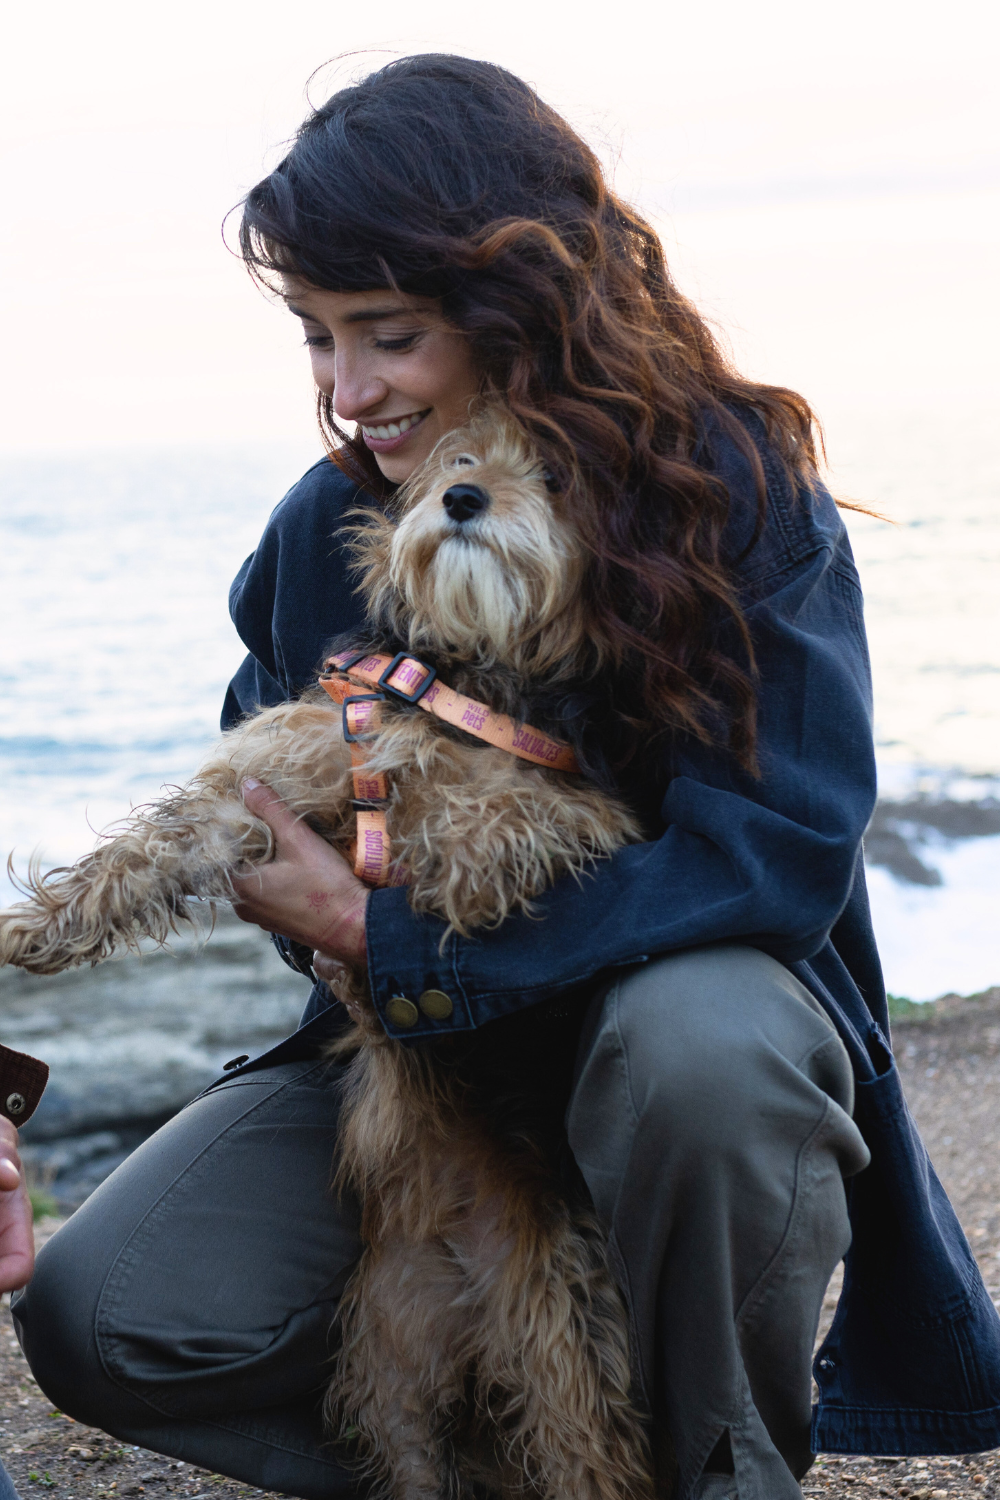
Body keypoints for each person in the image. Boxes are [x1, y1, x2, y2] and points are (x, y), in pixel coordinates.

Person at [12, 54, 1000, 1500]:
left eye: (389, 337)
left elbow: (775, 859)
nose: (349, 394)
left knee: (700, 1048)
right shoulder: (327, 524)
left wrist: (385, 933)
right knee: (108, 1313)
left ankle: (724, 1474)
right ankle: (507, 1469)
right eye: (315, 340)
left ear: (519, 308)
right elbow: (263, 781)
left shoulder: (734, 495)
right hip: (428, 1084)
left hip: (673, 1059)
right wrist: (272, 862)